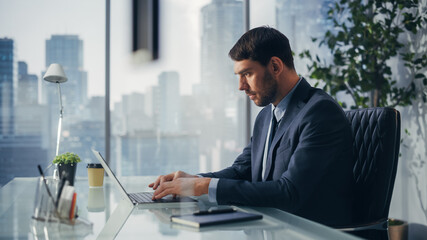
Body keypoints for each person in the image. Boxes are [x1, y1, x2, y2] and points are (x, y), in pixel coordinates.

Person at [149, 26, 355, 226]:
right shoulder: (266, 116)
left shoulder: (319, 113)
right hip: (270, 226)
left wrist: (203, 186)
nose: (241, 86)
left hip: (308, 232)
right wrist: (192, 181)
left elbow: (290, 192)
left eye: (247, 74)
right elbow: (242, 171)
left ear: (275, 66)